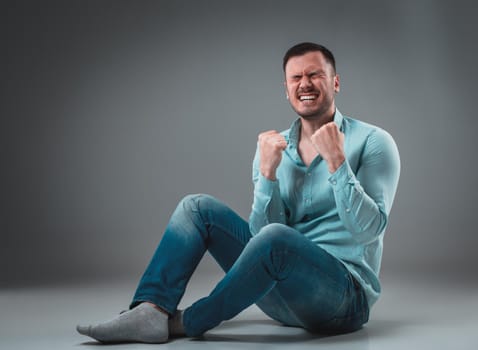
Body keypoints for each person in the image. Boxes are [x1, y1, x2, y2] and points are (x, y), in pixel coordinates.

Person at [76, 42, 401, 343]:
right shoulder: (272, 148)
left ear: (335, 82)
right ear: (286, 89)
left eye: (315, 74)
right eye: (296, 77)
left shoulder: (373, 142)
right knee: (195, 208)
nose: (305, 83)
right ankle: (150, 309)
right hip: (282, 300)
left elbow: (368, 232)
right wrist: (268, 174)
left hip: (343, 300)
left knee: (278, 239)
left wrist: (337, 163)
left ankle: (186, 322)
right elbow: (259, 239)